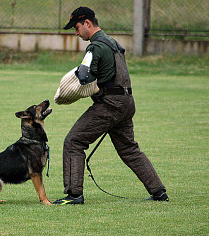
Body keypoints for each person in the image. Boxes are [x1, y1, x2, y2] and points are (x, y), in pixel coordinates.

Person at [53, 7, 169, 205]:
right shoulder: (113, 42)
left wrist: (67, 87)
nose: (76, 32)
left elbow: (84, 76)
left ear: (87, 23)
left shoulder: (95, 47)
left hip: (110, 104)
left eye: (77, 27)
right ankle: (158, 192)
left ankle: (74, 195)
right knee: (129, 150)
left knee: (74, 142)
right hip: (126, 102)